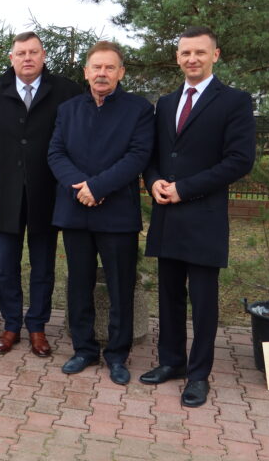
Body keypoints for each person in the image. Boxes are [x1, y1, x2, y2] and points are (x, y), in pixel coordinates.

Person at [141, 27, 255, 407]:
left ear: (215, 55)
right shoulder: (165, 103)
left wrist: (185, 188)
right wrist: (154, 181)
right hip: (167, 216)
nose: (192, 59)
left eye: (200, 52)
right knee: (169, 296)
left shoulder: (235, 101)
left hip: (204, 216)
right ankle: (171, 362)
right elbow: (154, 156)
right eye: (186, 52)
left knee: (203, 302)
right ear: (177, 57)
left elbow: (240, 160)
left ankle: (198, 374)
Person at [47, 41, 154, 385]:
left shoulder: (139, 109)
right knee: (79, 284)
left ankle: (118, 355)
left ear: (121, 72)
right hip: (75, 209)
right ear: (86, 72)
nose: (102, 73)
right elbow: (56, 153)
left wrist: (98, 187)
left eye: (110, 67)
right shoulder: (68, 110)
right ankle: (84, 349)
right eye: (96, 67)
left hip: (117, 213)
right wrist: (81, 187)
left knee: (121, 287)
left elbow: (138, 155)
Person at [0, 31, 82, 358]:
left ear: (43, 56)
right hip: (4, 195)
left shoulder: (67, 92)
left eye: (33, 52)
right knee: (7, 266)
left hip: (48, 193)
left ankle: (37, 327)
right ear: (12, 58)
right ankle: (11, 325)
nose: (28, 58)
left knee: (43, 266)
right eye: (21, 53)